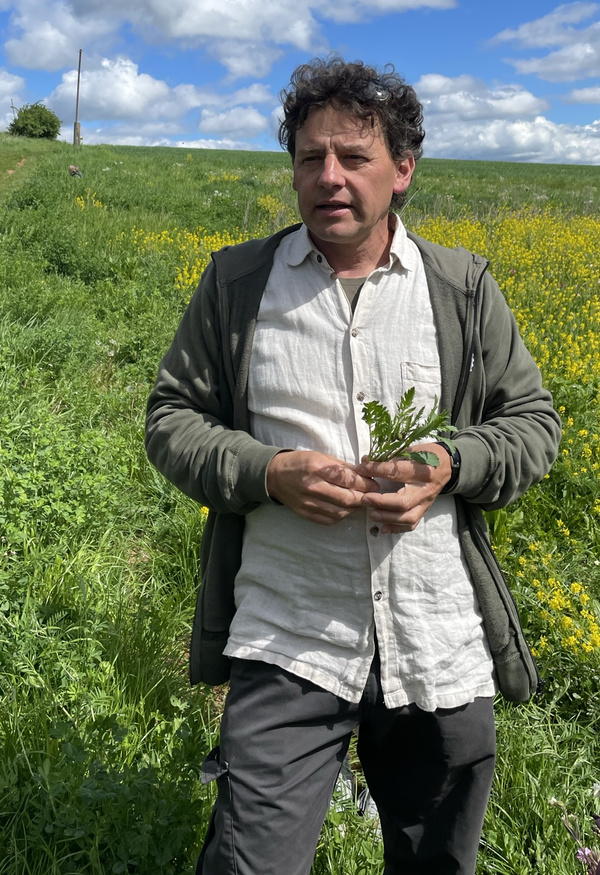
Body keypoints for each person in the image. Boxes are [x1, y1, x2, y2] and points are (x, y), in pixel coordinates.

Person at [145, 57, 561, 875]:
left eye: (353, 156)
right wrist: (268, 471)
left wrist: (448, 461)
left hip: (434, 637)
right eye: (310, 157)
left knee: (436, 859)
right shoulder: (237, 284)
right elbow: (171, 419)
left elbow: (533, 424)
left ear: (403, 169)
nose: (328, 176)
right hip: (289, 635)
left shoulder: (461, 287)